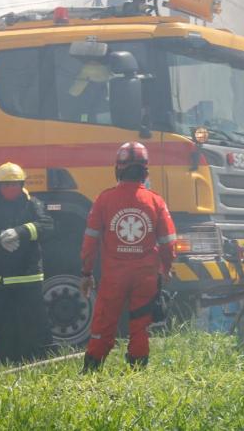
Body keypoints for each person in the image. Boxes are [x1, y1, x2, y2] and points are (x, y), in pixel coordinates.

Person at [80, 142, 177, 371]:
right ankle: (137, 372)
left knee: (103, 323)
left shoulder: (104, 200)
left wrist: (86, 272)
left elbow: (90, 241)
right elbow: (168, 242)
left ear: (118, 169)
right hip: (146, 276)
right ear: (145, 171)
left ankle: (92, 370)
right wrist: (167, 266)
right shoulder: (156, 201)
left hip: (114, 276)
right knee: (140, 325)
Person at [0, 162, 54, 364]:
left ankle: (36, 365)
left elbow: (48, 226)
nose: (10, 189)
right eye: (5, 185)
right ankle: (6, 366)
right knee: (4, 328)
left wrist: (20, 232)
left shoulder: (33, 204)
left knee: (33, 326)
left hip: (28, 277)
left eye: (14, 185)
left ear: (22, 184)